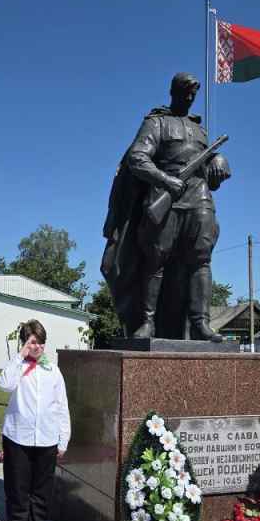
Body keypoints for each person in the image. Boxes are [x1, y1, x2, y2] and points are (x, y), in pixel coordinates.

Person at [101, 72, 231, 340]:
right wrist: (165, 180)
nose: (190, 97)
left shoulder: (200, 130)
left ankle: (200, 323)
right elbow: (137, 157)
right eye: (185, 92)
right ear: (173, 92)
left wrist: (219, 161)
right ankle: (147, 322)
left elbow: (208, 167)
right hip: (165, 195)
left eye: (194, 93)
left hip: (199, 196)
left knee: (201, 259)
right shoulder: (156, 122)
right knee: (155, 258)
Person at [0, 319, 70, 521]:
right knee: (18, 496)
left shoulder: (53, 371)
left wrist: (63, 438)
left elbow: (61, 406)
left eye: (40, 342)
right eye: (31, 342)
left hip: (47, 440)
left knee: (41, 496)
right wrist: (21, 355)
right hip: (18, 439)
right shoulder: (17, 367)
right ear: (24, 343)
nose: (36, 346)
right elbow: (4, 384)